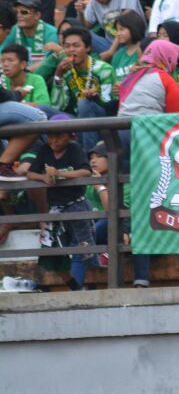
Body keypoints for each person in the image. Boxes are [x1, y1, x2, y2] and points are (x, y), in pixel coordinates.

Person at [27, 116, 97, 290]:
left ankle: (86, 285)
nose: (54, 140)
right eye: (51, 136)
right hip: (55, 208)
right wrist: (43, 176)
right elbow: (30, 173)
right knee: (51, 251)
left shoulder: (74, 149)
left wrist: (59, 173)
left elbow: (85, 172)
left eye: (59, 136)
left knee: (83, 249)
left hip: (77, 204)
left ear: (69, 136)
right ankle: (73, 288)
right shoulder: (45, 150)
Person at [118, 38, 179, 117]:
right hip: (148, 127)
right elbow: (176, 116)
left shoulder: (132, 75)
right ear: (167, 57)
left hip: (121, 126)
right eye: (175, 59)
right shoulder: (166, 80)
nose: (176, 63)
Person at [4, 0, 58, 65]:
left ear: (37, 15)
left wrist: (26, 73)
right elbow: (2, 52)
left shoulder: (51, 32)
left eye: (24, 12)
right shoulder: (14, 29)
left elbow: (49, 62)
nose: (18, 15)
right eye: (16, 12)